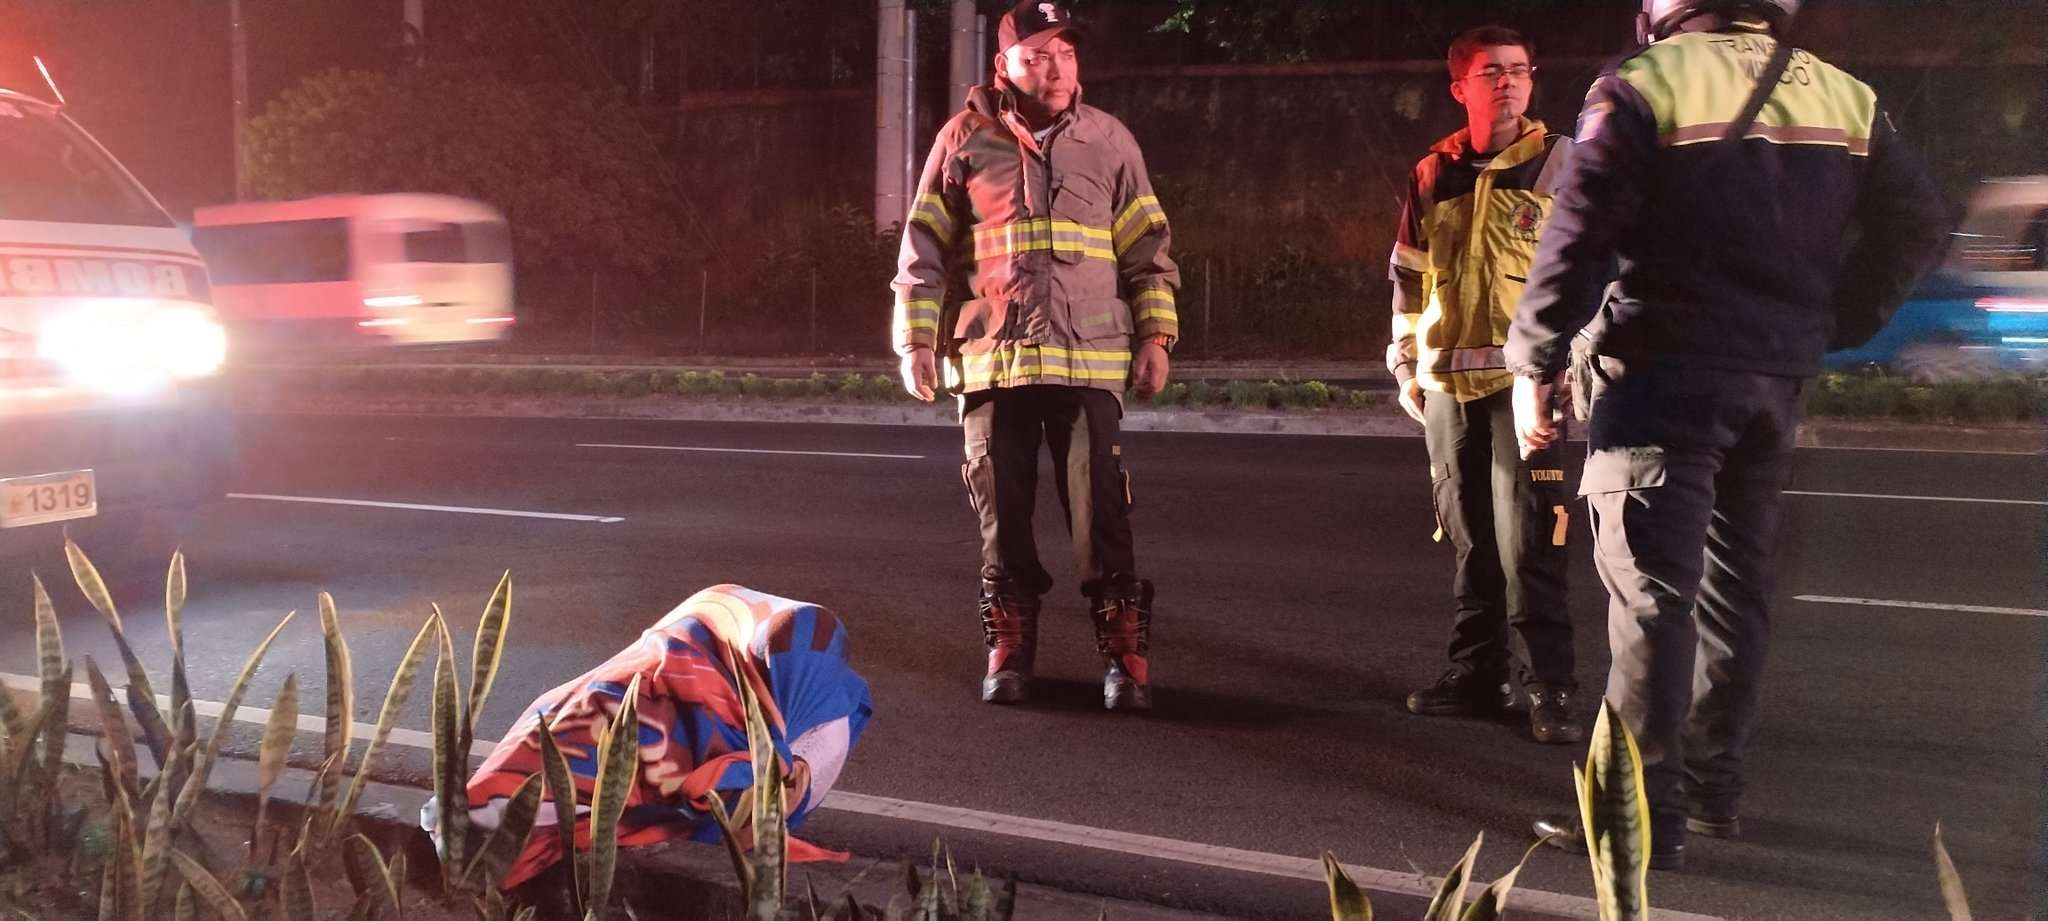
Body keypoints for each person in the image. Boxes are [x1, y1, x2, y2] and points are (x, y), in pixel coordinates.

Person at [1504, 0, 1949, 869]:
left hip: (1660, 375)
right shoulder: (1843, 94)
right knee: (1735, 591)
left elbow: (1581, 230)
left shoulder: (1644, 83)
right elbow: (1920, 220)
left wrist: (1536, 360)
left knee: (1651, 597)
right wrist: (1836, 318)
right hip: (1773, 379)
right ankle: (1713, 791)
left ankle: (1635, 817)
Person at [889, 0, 1180, 711]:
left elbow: (1148, 250)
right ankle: (1010, 653)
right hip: (996, 359)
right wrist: (915, 341)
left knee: (1103, 513)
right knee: (1002, 514)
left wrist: (1155, 336)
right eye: (1037, 56)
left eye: (1066, 54)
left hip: (1090, 359)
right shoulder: (963, 139)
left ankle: (1124, 660)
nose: (1055, 68)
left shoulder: (1109, 140)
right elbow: (924, 250)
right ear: (1004, 65)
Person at [1388, 25, 1582, 745]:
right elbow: (1408, 277)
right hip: (1447, 385)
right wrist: (1407, 363)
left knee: (1530, 540)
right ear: (1459, 88)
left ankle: (1550, 687)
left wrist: (1568, 365)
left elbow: (1589, 271)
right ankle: (1477, 673)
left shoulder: (1562, 162)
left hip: (1526, 386)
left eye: (1519, 70)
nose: (1508, 81)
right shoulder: (1432, 173)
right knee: (1470, 538)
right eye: (1491, 71)